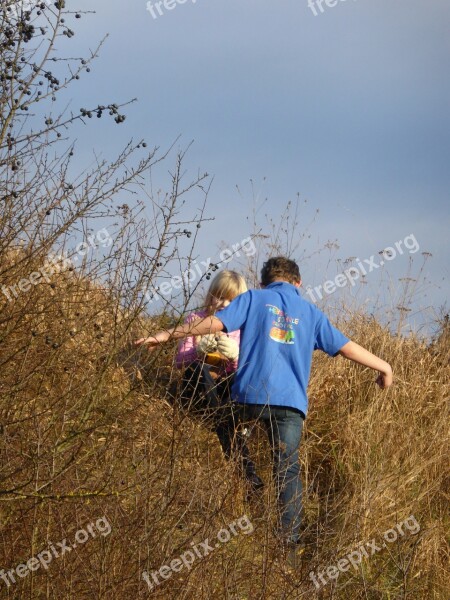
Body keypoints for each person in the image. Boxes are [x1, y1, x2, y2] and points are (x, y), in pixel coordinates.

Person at [135, 257, 393, 558]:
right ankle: (288, 549)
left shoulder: (253, 298)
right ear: (298, 283)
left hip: (248, 397)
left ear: (263, 282)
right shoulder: (312, 313)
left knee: (224, 423)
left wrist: (165, 334)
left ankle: (247, 476)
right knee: (287, 471)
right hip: (290, 405)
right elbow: (347, 347)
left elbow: (211, 323)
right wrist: (384, 366)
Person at [168, 270, 263, 493]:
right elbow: (180, 362)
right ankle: (227, 423)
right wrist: (198, 353)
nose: (223, 303)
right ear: (210, 295)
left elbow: (248, 371)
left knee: (237, 382)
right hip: (196, 389)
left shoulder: (243, 329)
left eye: (231, 300)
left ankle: (248, 476)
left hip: (222, 394)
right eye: (219, 296)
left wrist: (234, 358)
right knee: (198, 369)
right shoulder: (196, 320)